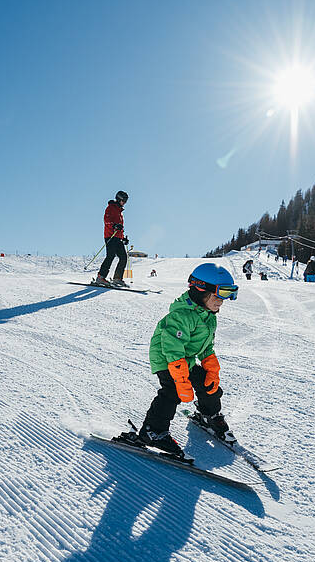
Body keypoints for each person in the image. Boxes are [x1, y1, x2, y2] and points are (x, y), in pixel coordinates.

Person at [120, 263, 239, 458]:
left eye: (226, 296)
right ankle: (153, 431)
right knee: (173, 391)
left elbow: (206, 346)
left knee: (207, 385)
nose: (222, 302)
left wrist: (211, 366)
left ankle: (210, 414)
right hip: (167, 359)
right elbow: (173, 350)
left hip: (186, 359)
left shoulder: (209, 316)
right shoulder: (181, 315)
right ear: (201, 292)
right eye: (218, 296)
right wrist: (181, 380)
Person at [94, 191, 129, 287]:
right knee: (110, 256)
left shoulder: (120, 212)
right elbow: (107, 220)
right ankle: (101, 277)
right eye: (123, 200)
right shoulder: (111, 208)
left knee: (123, 257)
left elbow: (119, 227)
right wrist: (114, 225)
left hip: (118, 238)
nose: (125, 202)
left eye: (126, 201)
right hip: (110, 236)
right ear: (118, 199)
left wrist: (123, 238)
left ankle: (117, 278)